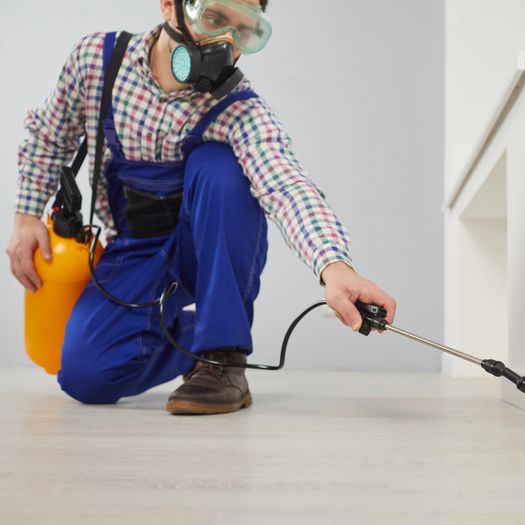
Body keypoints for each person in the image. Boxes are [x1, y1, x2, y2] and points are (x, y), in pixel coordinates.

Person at [6, 0, 397, 415]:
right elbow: (48, 136)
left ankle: (222, 355)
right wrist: (27, 213)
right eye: (214, 18)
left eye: (242, 31)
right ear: (170, 7)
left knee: (221, 167)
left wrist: (334, 267)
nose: (224, 43)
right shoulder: (98, 63)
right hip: (136, 247)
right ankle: (195, 339)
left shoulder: (240, 111)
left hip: (209, 247)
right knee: (86, 376)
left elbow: (286, 184)